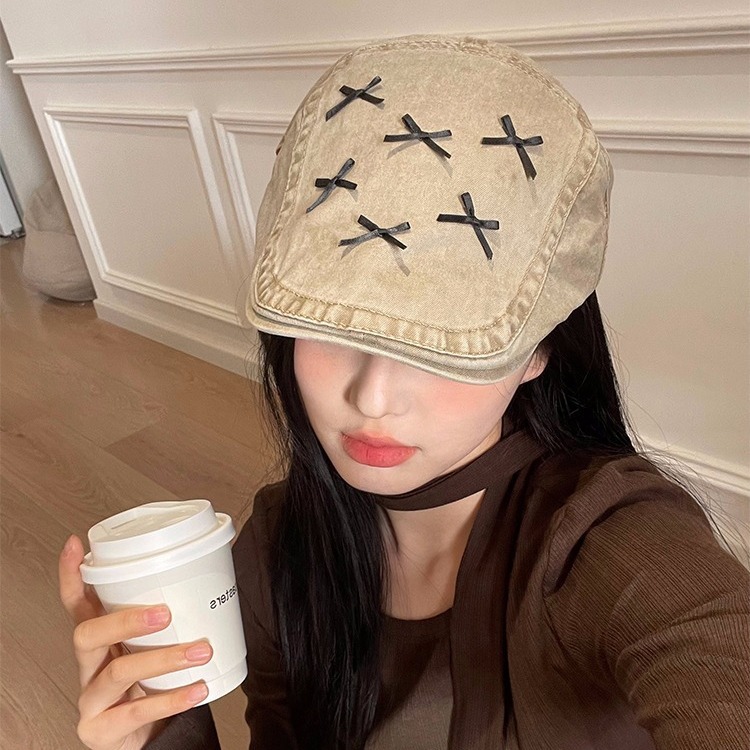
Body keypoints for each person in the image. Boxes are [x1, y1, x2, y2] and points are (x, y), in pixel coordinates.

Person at [58, 35, 749, 750]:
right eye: (332, 327)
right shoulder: (277, 550)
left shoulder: (613, 545)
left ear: (540, 348)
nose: (374, 398)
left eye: (442, 346)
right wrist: (166, 730)